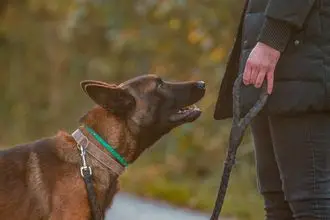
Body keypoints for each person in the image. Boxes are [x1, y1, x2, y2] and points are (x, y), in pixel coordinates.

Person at [214, 0, 330, 219]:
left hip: (299, 63)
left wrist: (271, 40)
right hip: (270, 65)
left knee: (309, 202)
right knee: (277, 202)